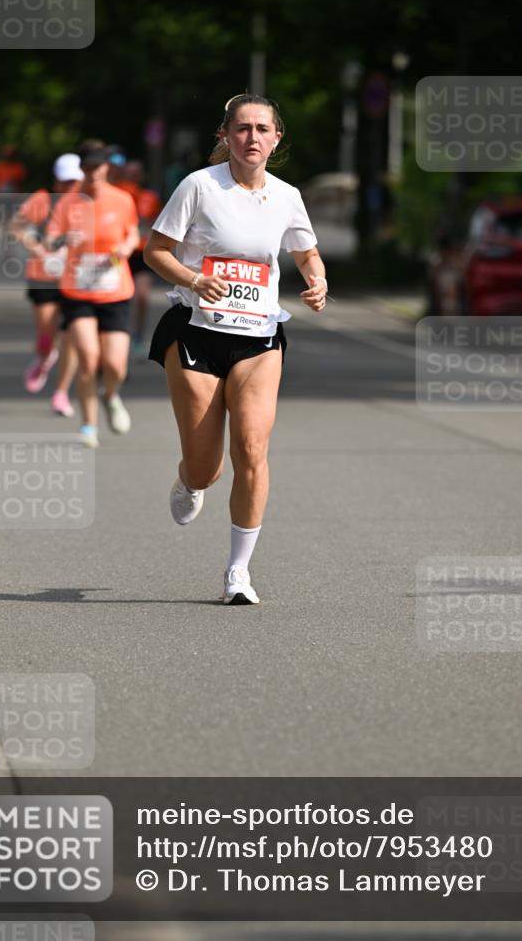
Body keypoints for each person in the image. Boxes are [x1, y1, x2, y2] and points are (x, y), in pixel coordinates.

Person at [144, 93, 328, 605]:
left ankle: (238, 574)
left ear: (276, 138)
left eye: (261, 129)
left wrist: (316, 281)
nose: (252, 137)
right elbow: (155, 251)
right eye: (241, 128)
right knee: (207, 466)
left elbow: (306, 251)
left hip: (259, 337)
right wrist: (193, 278)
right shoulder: (199, 187)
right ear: (225, 135)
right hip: (196, 331)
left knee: (250, 448)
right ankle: (189, 480)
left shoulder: (287, 195)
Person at [46, 140, 139, 447]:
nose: (92, 173)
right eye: (86, 168)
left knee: (115, 366)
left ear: (106, 167)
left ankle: (110, 395)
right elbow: (49, 241)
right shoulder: (68, 202)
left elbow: (133, 232)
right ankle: (88, 424)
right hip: (78, 291)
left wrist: (126, 247)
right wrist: (62, 240)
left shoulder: (122, 199)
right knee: (88, 357)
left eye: (97, 167)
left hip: (115, 291)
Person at [9, 153, 82, 415]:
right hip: (43, 276)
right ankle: (44, 356)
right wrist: (38, 248)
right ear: (56, 181)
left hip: (75, 277)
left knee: (71, 333)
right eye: (66, 181)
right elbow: (16, 226)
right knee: (47, 331)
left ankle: (61, 392)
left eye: (75, 180)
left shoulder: (85, 202)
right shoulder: (42, 200)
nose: (70, 186)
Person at [113, 159, 162, 359]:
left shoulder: (150, 198)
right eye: (130, 173)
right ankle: (118, 334)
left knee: (142, 295)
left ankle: (138, 336)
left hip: (142, 253)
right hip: (121, 253)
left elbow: (160, 224)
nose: (133, 177)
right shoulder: (118, 195)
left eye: (137, 173)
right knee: (120, 297)